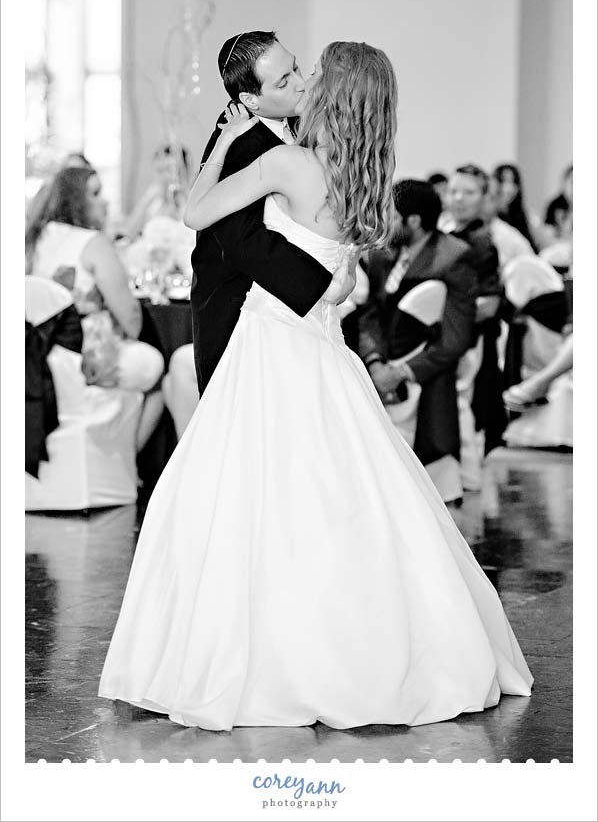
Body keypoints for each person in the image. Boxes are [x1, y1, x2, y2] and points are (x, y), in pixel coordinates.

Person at [99, 41, 532, 731]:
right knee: (347, 491)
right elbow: (345, 279)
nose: (305, 79)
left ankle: (265, 658)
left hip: (271, 343)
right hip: (324, 349)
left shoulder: (286, 161)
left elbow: (196, 213)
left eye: (315, 73)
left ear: (332, 91)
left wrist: (226, 143)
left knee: (245, 494)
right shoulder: (365, 174)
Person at [188, 30, 355, 395]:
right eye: (284, 81)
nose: (300, 85)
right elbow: (242, 239)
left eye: (296, 68)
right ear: (251, 99)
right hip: (236, 305)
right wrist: (322, 283)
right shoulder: (238, 138)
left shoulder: (304, 119)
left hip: (293, 310)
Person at [27, 167, 164, 452]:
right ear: (75, 199)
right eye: (95, 193)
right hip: (86, 360)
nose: (105, 201)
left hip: (35, 360)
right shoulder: (92, 243)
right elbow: (132, 320)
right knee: (155, 366)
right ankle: (128, 466)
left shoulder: (34, 241)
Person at [359, 179, 477, 504]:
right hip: (380, 365)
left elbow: (456, 337)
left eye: (391, 214)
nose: (384, 222)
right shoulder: (384, 255)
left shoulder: (453, 257)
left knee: (426, 486)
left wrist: (402, 371)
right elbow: (371, 314)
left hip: (426, 371)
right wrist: (374, 361)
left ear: (413, 220)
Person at [121, 143, 191, 240]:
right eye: (159, 171)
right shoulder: (153, 202)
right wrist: (148, 198)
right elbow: (128, 232)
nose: (164, 177)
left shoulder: (190, 201)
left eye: (168, 170)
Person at [491, 163, 536, 248]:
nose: (508, 188)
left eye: (514, 182)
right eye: (503, 181)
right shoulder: (490, 218)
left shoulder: (525, 216)